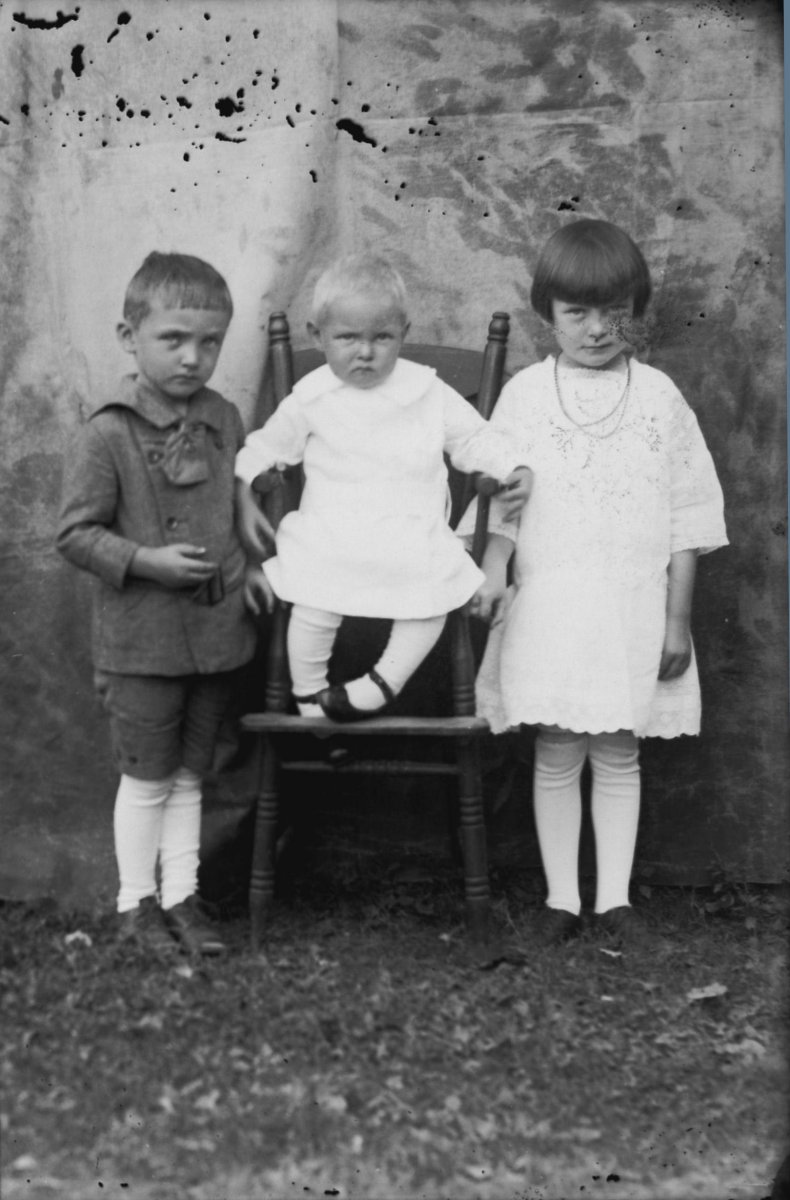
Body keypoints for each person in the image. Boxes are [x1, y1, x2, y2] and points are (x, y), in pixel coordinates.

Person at [460, 219, 728, 947]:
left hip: (632, 607)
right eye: (577, 313)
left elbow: (689, 518)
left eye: (616, 312)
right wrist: (493, 572)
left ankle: (614, 901)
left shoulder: (660, 397)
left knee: (617, 750)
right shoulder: (525, 395)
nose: (598, 329)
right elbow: (502, 507)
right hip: (552, 605)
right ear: (546, 313)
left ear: (636, 311)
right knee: (556, 750)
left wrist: (677, 622)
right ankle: (561, 899)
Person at [57, 252, 271, 957]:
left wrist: (251, 567)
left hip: (215, 632)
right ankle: (135, 905)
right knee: (147, 778)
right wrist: (147, 561)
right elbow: (75, 534)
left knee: (189, 776)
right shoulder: (108, 432)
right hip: (143, 643)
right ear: (130, 337)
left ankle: (182, 898)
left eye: (209, 342)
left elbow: (231, 502)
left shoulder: (223, 417)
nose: (192, 357)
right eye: (173, 339)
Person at [235, 252, 533, 720]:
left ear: (403, 334)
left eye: (382, 337)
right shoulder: (311, 397)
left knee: (433, 599)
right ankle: (312, 701)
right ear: (317, 335)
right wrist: (248, 486)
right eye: (347, 337)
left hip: (408, 533)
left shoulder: (426, 391)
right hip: (332, 534)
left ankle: (380, 684)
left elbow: (475, 437)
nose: (366, 352)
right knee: (311, 604)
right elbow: (265, 446)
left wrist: (514, 466)